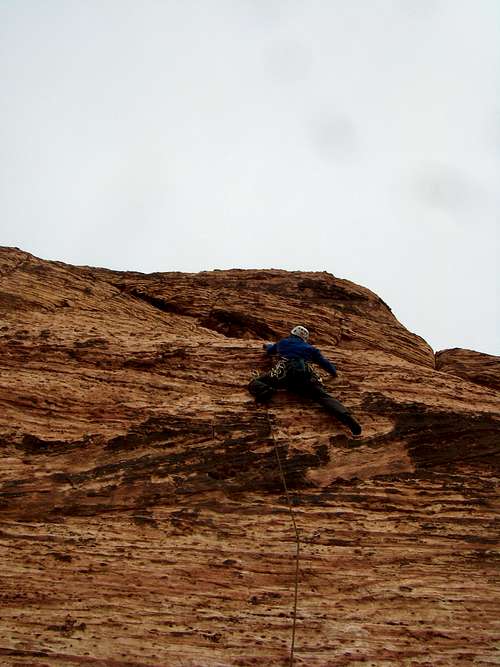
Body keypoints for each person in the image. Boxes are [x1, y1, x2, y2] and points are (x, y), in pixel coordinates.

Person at [248, 325, 362, 436]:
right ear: (304, 339)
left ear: (292, 333)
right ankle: (347, 418)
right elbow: (324, 363)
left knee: (255, 382)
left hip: (284, 375)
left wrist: (266, 346)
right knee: (322, 397)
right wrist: (334, 373)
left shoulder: (283, 343)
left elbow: (270, 350)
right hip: (306, 377)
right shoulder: (310, 349)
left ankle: (268, 391)